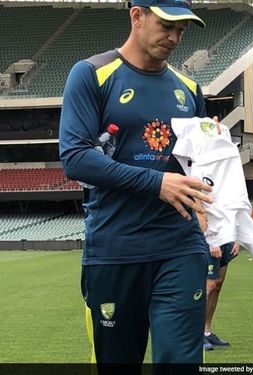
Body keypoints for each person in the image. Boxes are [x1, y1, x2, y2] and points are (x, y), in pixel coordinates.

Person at [59, 0, 213, 367]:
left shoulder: (189, 89)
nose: (174, 37)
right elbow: (76, 157)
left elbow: (199, 165)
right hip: (115, 247)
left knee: (179, 362)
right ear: (137, 15)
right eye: (166, 25)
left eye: (182, 30)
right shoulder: (91, 74)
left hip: (180, 245)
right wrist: (156, 182)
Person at [196, 211, 240, 351]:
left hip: (226, 238)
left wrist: (237, 239)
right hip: (211, 238)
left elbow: (235, 210)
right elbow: (200, 211)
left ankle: (207, 332)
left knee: (217, 286)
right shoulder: (209, 189)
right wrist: (211, 242)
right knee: (209, 286)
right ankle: (197, 334)